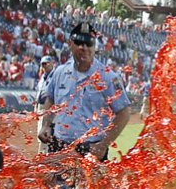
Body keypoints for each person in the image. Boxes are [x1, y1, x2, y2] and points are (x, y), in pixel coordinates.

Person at [38, 22, 132, 160]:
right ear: (70, 44)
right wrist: (46, 125)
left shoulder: (107, 77)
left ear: (95, 47)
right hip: (59, 147)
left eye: (89, 43)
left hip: (90, 150)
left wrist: (103, 145)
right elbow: (50, 99)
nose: (84, 48)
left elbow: (124, 112)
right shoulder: (60, 72)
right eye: (79, 43)